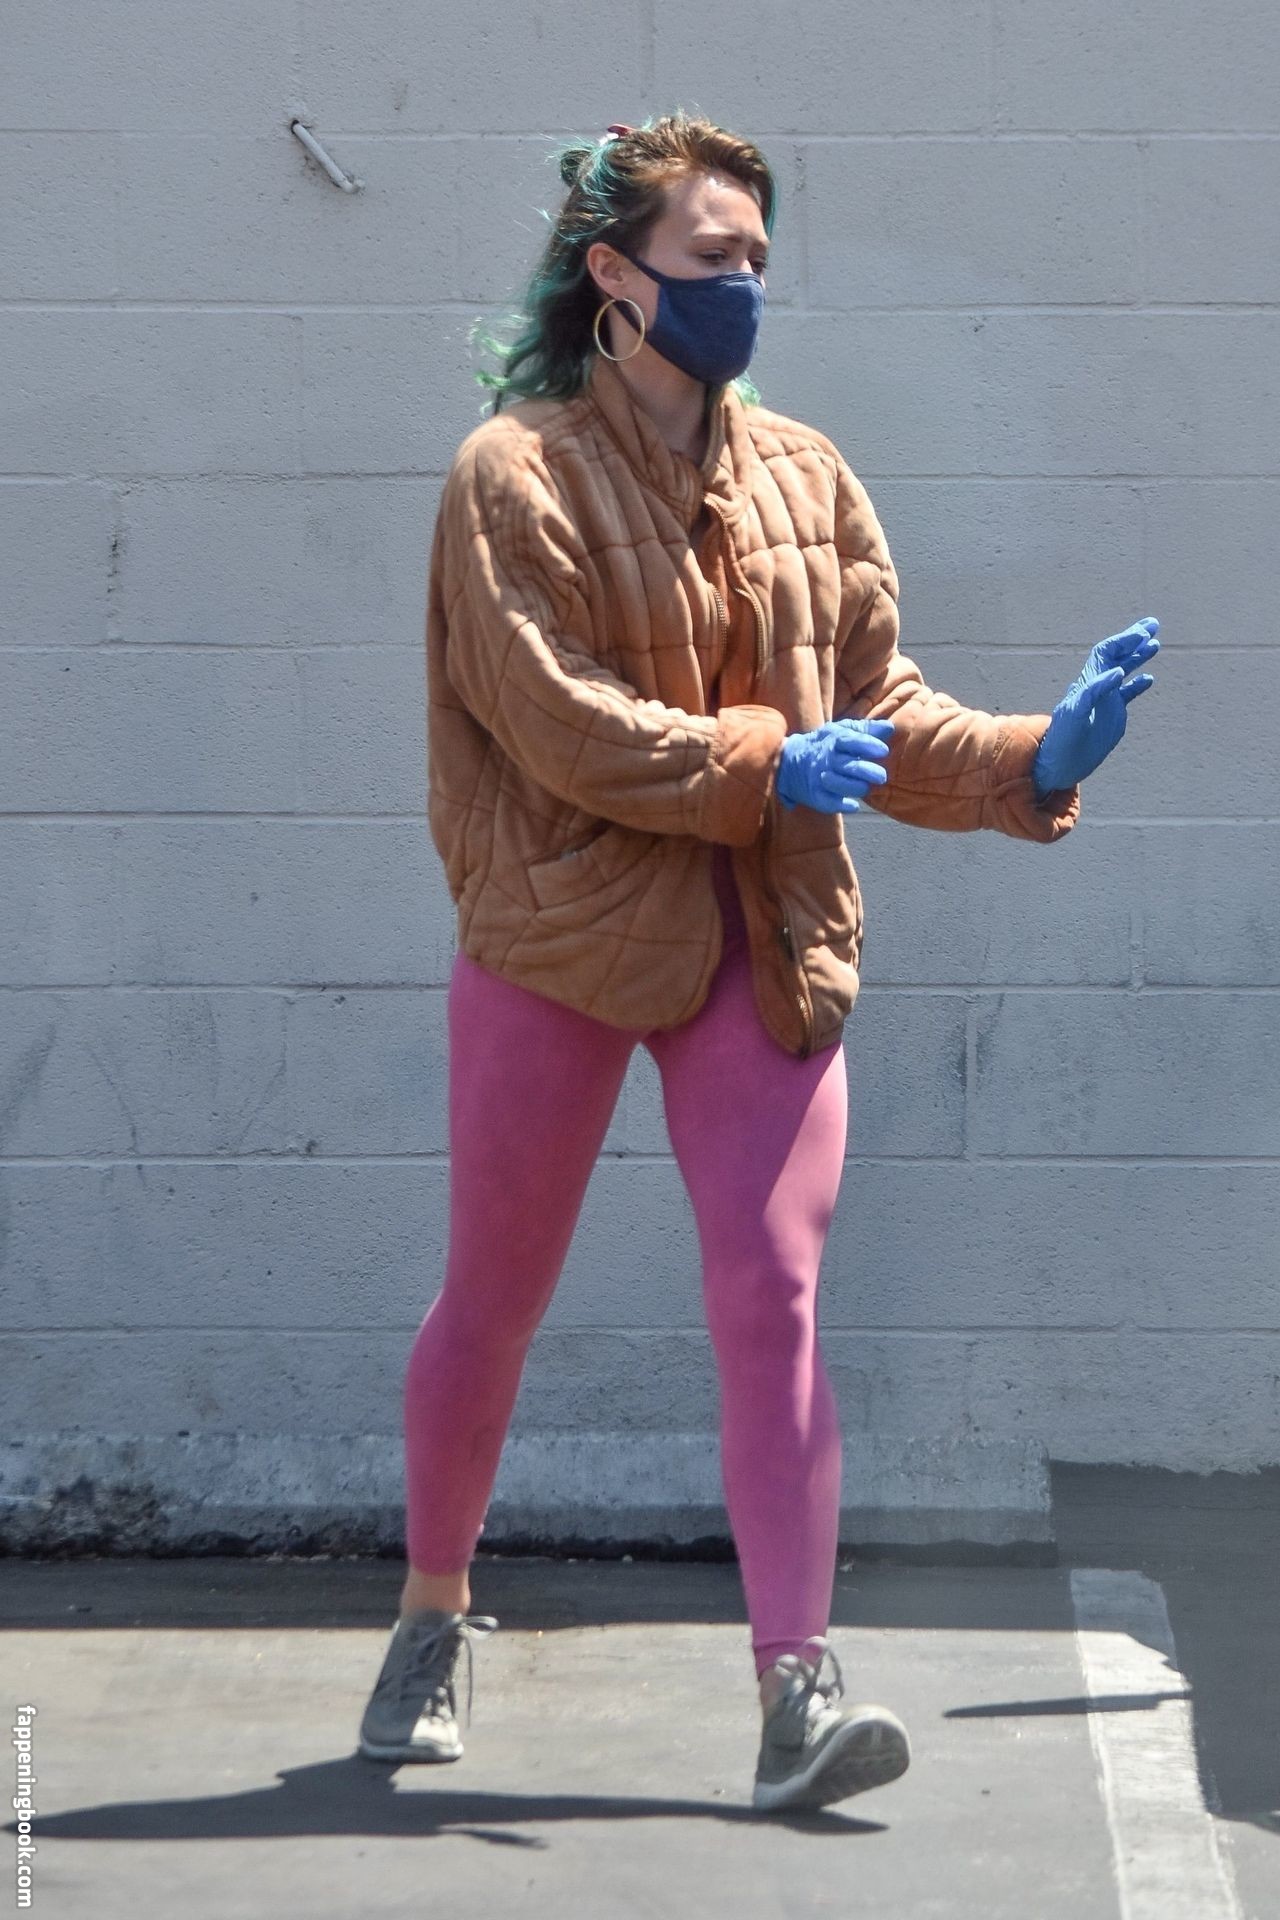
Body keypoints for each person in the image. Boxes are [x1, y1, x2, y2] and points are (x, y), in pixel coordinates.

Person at [356, 111, 1160, 1812]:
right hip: (562, 930)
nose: (745, 286)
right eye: (713, 258)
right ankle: (431, 1612)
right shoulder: (511, 474)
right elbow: (557, 719)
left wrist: (1032, 757)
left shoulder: (805, 474)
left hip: (764, 935)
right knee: (495, 1298)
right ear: (615, 277)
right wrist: (758, 762)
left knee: (774, 1296)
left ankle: (797, 1683)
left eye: (758, 261)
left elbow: (878, 713)